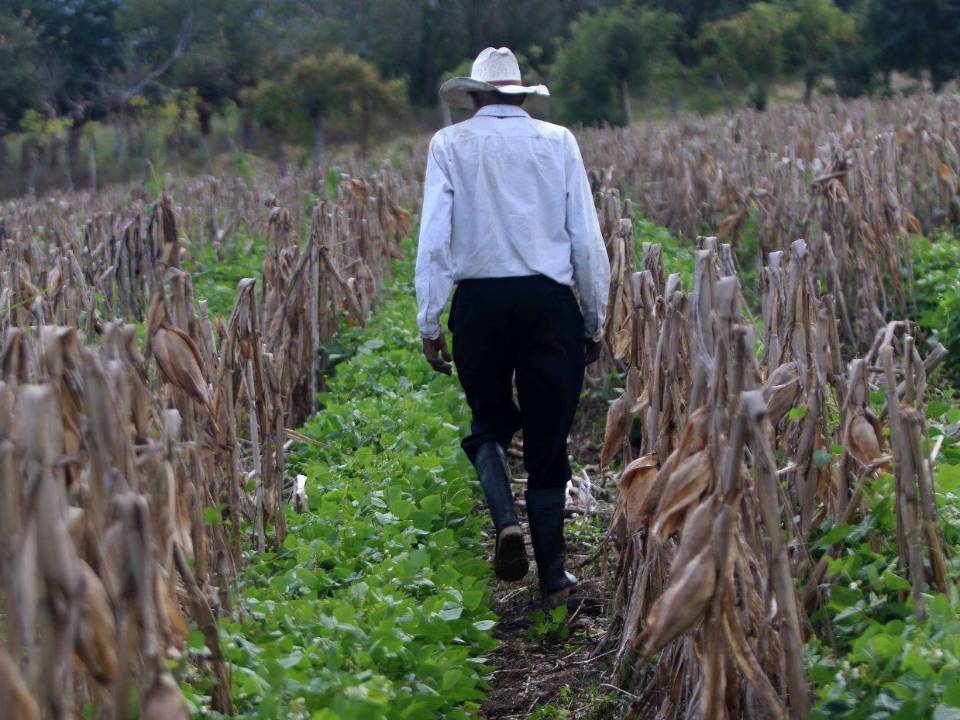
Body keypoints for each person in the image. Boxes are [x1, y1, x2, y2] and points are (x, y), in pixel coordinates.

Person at [415, 47, 610, 606]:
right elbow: (586, 240)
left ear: (474, 97)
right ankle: (552, 580)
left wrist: (431, 320)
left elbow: (434, 240)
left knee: (489, 422)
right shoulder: (559, 142)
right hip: (549, 303)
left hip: (479, 305)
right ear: (521, 96)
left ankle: (505, 522)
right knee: (550, 440)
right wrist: (592, 319)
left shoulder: (449, 144)